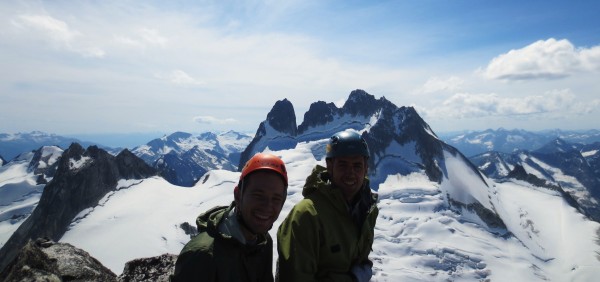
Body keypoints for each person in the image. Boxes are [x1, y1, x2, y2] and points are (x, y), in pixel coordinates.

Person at [276, 130, 379, 282]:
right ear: (329, 166)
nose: (350, 173)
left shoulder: (367, 209)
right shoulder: (306, 215)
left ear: (366, 169)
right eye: (343, 165)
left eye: (357, 166)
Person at [172, 153, 288, 282]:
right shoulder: (202, 256)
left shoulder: (263, 242)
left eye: (276, 199)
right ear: (238, 196)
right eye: (258, 195)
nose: (267, 206)